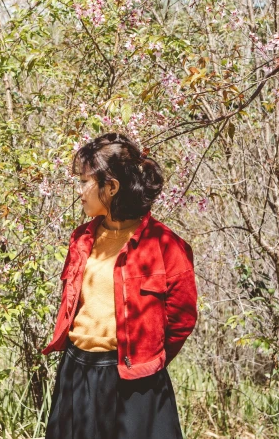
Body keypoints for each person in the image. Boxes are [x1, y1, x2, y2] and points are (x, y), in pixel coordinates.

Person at [42, 132, 198, 439]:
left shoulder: (166, 246)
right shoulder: (81, 239)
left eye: (85, 181)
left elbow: (181, 320)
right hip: (77, 373)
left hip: (135, 384)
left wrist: (145, 359)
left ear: (111, 187)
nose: (80, 191)